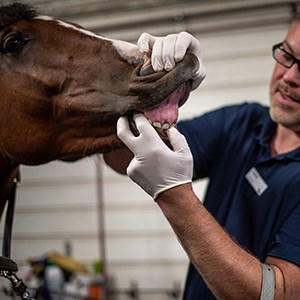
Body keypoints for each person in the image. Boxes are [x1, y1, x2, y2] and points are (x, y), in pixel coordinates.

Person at [104, 4, 300, 299]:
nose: (289, 77)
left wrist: (174, 195)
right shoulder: (243, 123)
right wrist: (150, 89)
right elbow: (121, 155)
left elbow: (275, 294)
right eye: (287, 55)